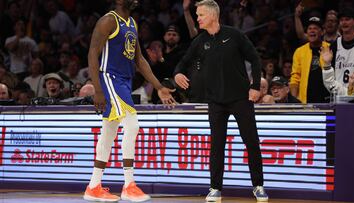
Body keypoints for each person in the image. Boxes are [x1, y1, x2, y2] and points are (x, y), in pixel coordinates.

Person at [174, 0, 268, 202]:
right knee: (216, 145)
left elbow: (255, 59)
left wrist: (254, 87)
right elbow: (182, 63)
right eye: (197, 15)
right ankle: (215, 188)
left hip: (241, 98)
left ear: (212, 16)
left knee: (251, 142)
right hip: (215, 101)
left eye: (200, 15)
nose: (197, 18)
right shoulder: (200, 41)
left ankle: (258, 186)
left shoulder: (234, 35)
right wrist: (177, 74)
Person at [85, 0, 176, 202]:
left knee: (108, 132)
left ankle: (93, 186)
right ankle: (129, 185)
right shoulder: (108, 20)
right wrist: (97, 89)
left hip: (125, 80)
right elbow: (92, 53)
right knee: (132, 125)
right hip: (110, 78)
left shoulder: (132, 23)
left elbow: (140, 60)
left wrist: (159, 86)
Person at [289, 17, 330, 104]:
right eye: (309, 28)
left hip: (327, 99)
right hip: (305, 101)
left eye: (315, 28)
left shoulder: (330, 48)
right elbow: (295, 77)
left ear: (322, 32)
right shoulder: (299, 51)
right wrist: (294, 100)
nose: (312, 31)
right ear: (306, 32)